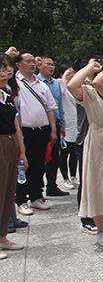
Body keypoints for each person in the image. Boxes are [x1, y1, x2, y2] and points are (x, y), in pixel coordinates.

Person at [67, 59, 103, 248]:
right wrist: (89, 67)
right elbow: (72, 85)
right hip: (98, 140)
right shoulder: (89, 92)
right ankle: (100, 230)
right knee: (97, 183)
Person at [14, 51, 57, 215]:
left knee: (39, 165)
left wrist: (53, 129)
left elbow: (50, 108)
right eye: (28, 61)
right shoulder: (16, 83)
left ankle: (36, 196)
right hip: (25, 130)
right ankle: (21, 199)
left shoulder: (41, 85)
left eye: (33, 61)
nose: (32, 64)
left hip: (42, 130)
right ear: (18, 65)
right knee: (24, 165)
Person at [0, 60, 27, 259]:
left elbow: (15, 124)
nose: (3, 74)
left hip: (11, 143)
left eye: (4, 70)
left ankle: (2, 237)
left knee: (8, 192)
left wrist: (22, 152)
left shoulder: (7, 96)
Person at [36, 56, 69, 197]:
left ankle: (52, 185)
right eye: (47, 64)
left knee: (54, 156)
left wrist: (62, 124)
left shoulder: (56, 83)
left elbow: (59, 105)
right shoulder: (35, 82)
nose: (51, 67)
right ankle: (37, 189)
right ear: (39, 65)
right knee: (40, 157)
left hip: (56, 123)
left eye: (52, 64)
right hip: (41, 124)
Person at [57, 64, 78, 190]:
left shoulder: (74, 86)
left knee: (74, 152)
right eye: (68, 73)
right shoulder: (60, 84)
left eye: (73, 72)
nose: (72, 75)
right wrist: (64, 78)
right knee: (64, 152)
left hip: (75, 122)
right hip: (66, 122)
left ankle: (73, 176)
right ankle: (65, 178)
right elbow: (62, 93)